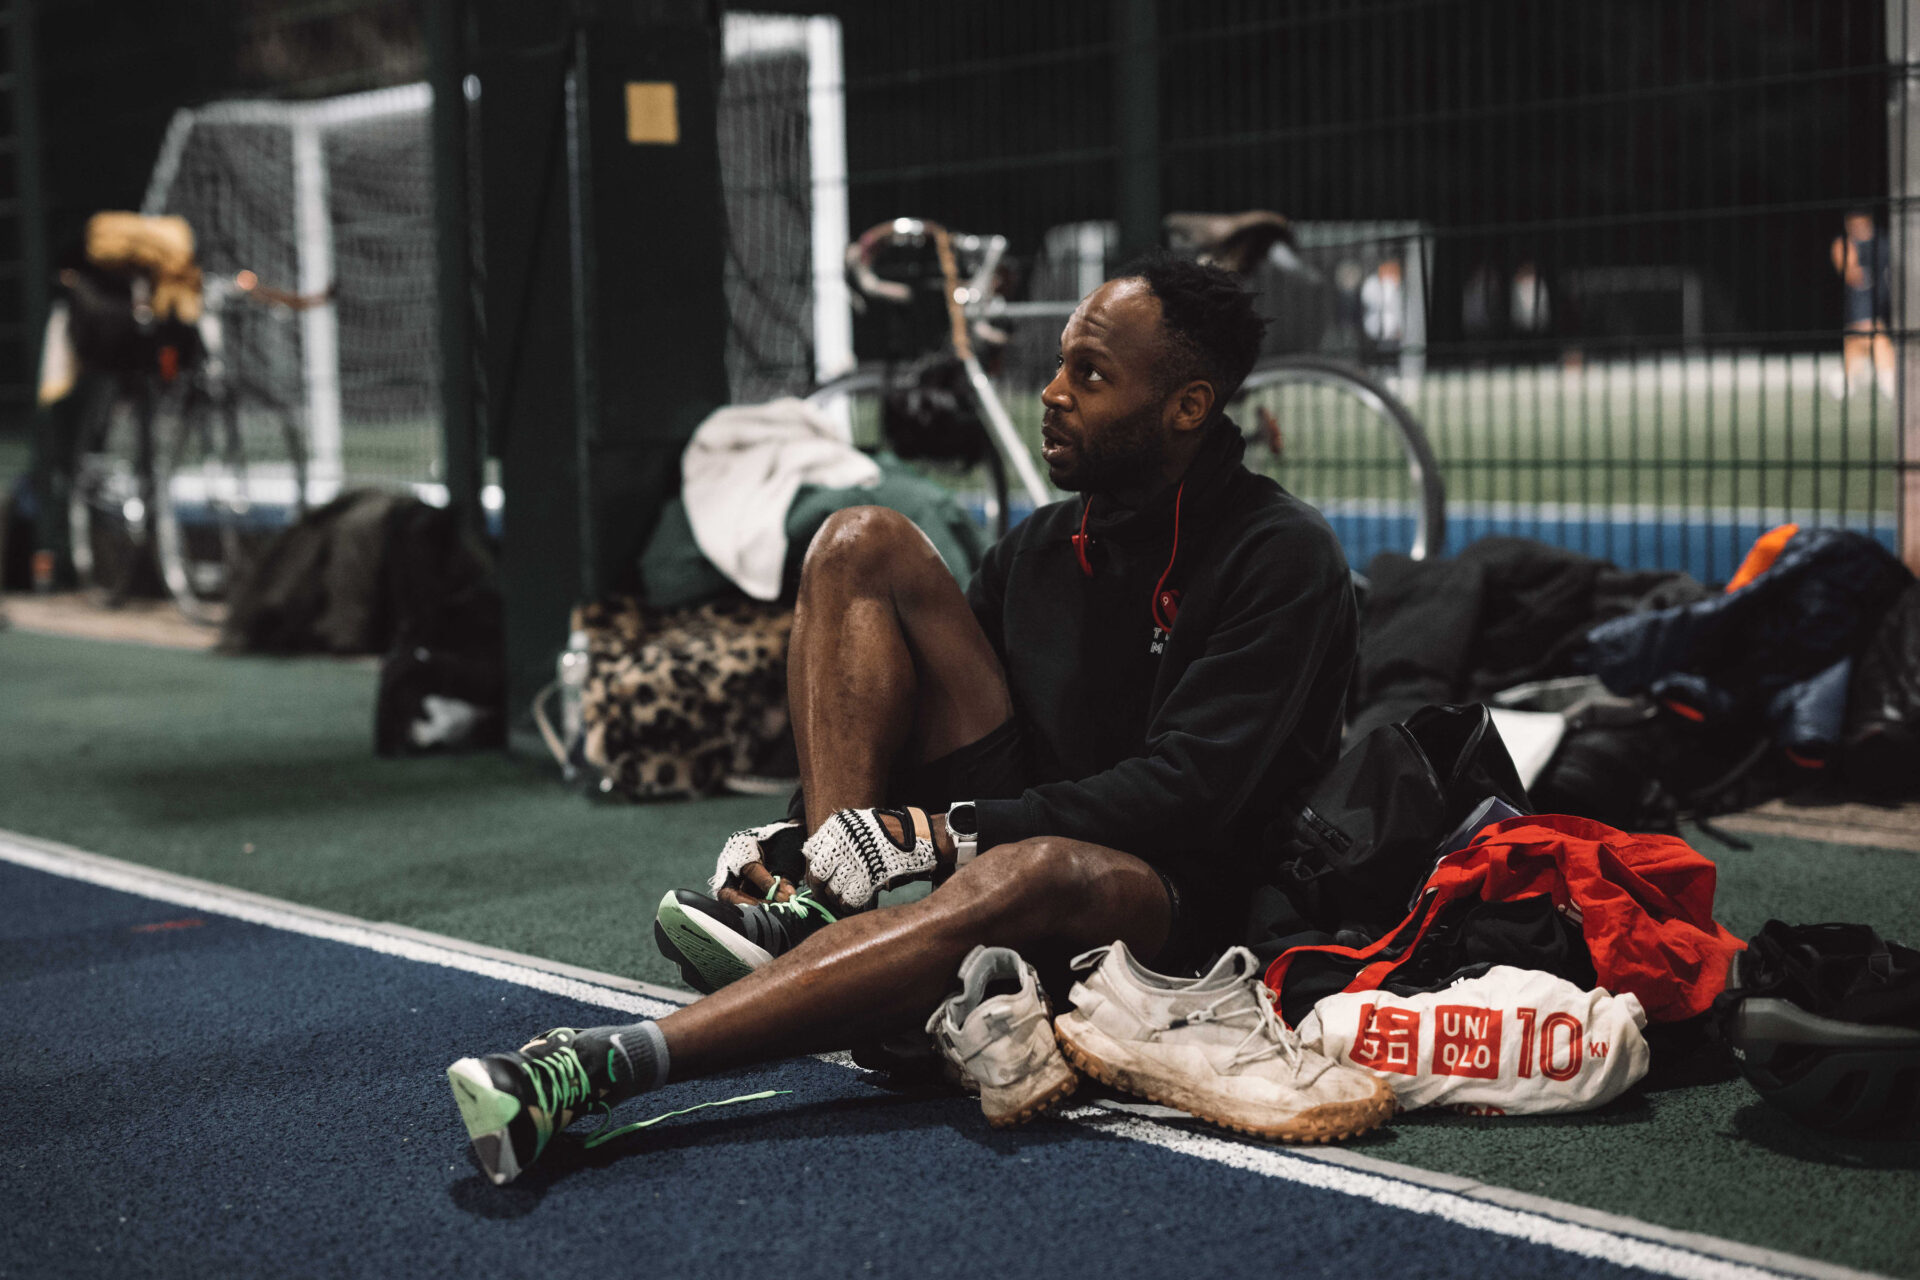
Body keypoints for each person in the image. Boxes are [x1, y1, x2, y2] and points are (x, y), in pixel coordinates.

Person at [445, 254, 1383, 1184]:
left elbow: (1190, 799)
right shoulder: (1046, 547)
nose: (1052, 393)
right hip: (1029, 821)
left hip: (1178, 893)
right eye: (1058, 365)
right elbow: (903, 723)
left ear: (1188, 406)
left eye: (1090, 374)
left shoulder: (1281, 556)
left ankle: (598, 1066)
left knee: (1032, 865)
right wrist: (805, 826)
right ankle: (814, 903)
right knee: (862, 539)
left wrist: (941, 834)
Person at [1830, 210, 1895, 400]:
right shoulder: (1846, 245)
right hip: (1861, 305)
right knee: (1878, 340)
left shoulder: (1883, 244)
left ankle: (1842, 380)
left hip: (1878, 303)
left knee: (1856, 350)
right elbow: (1851, 275)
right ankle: (1889, 382)